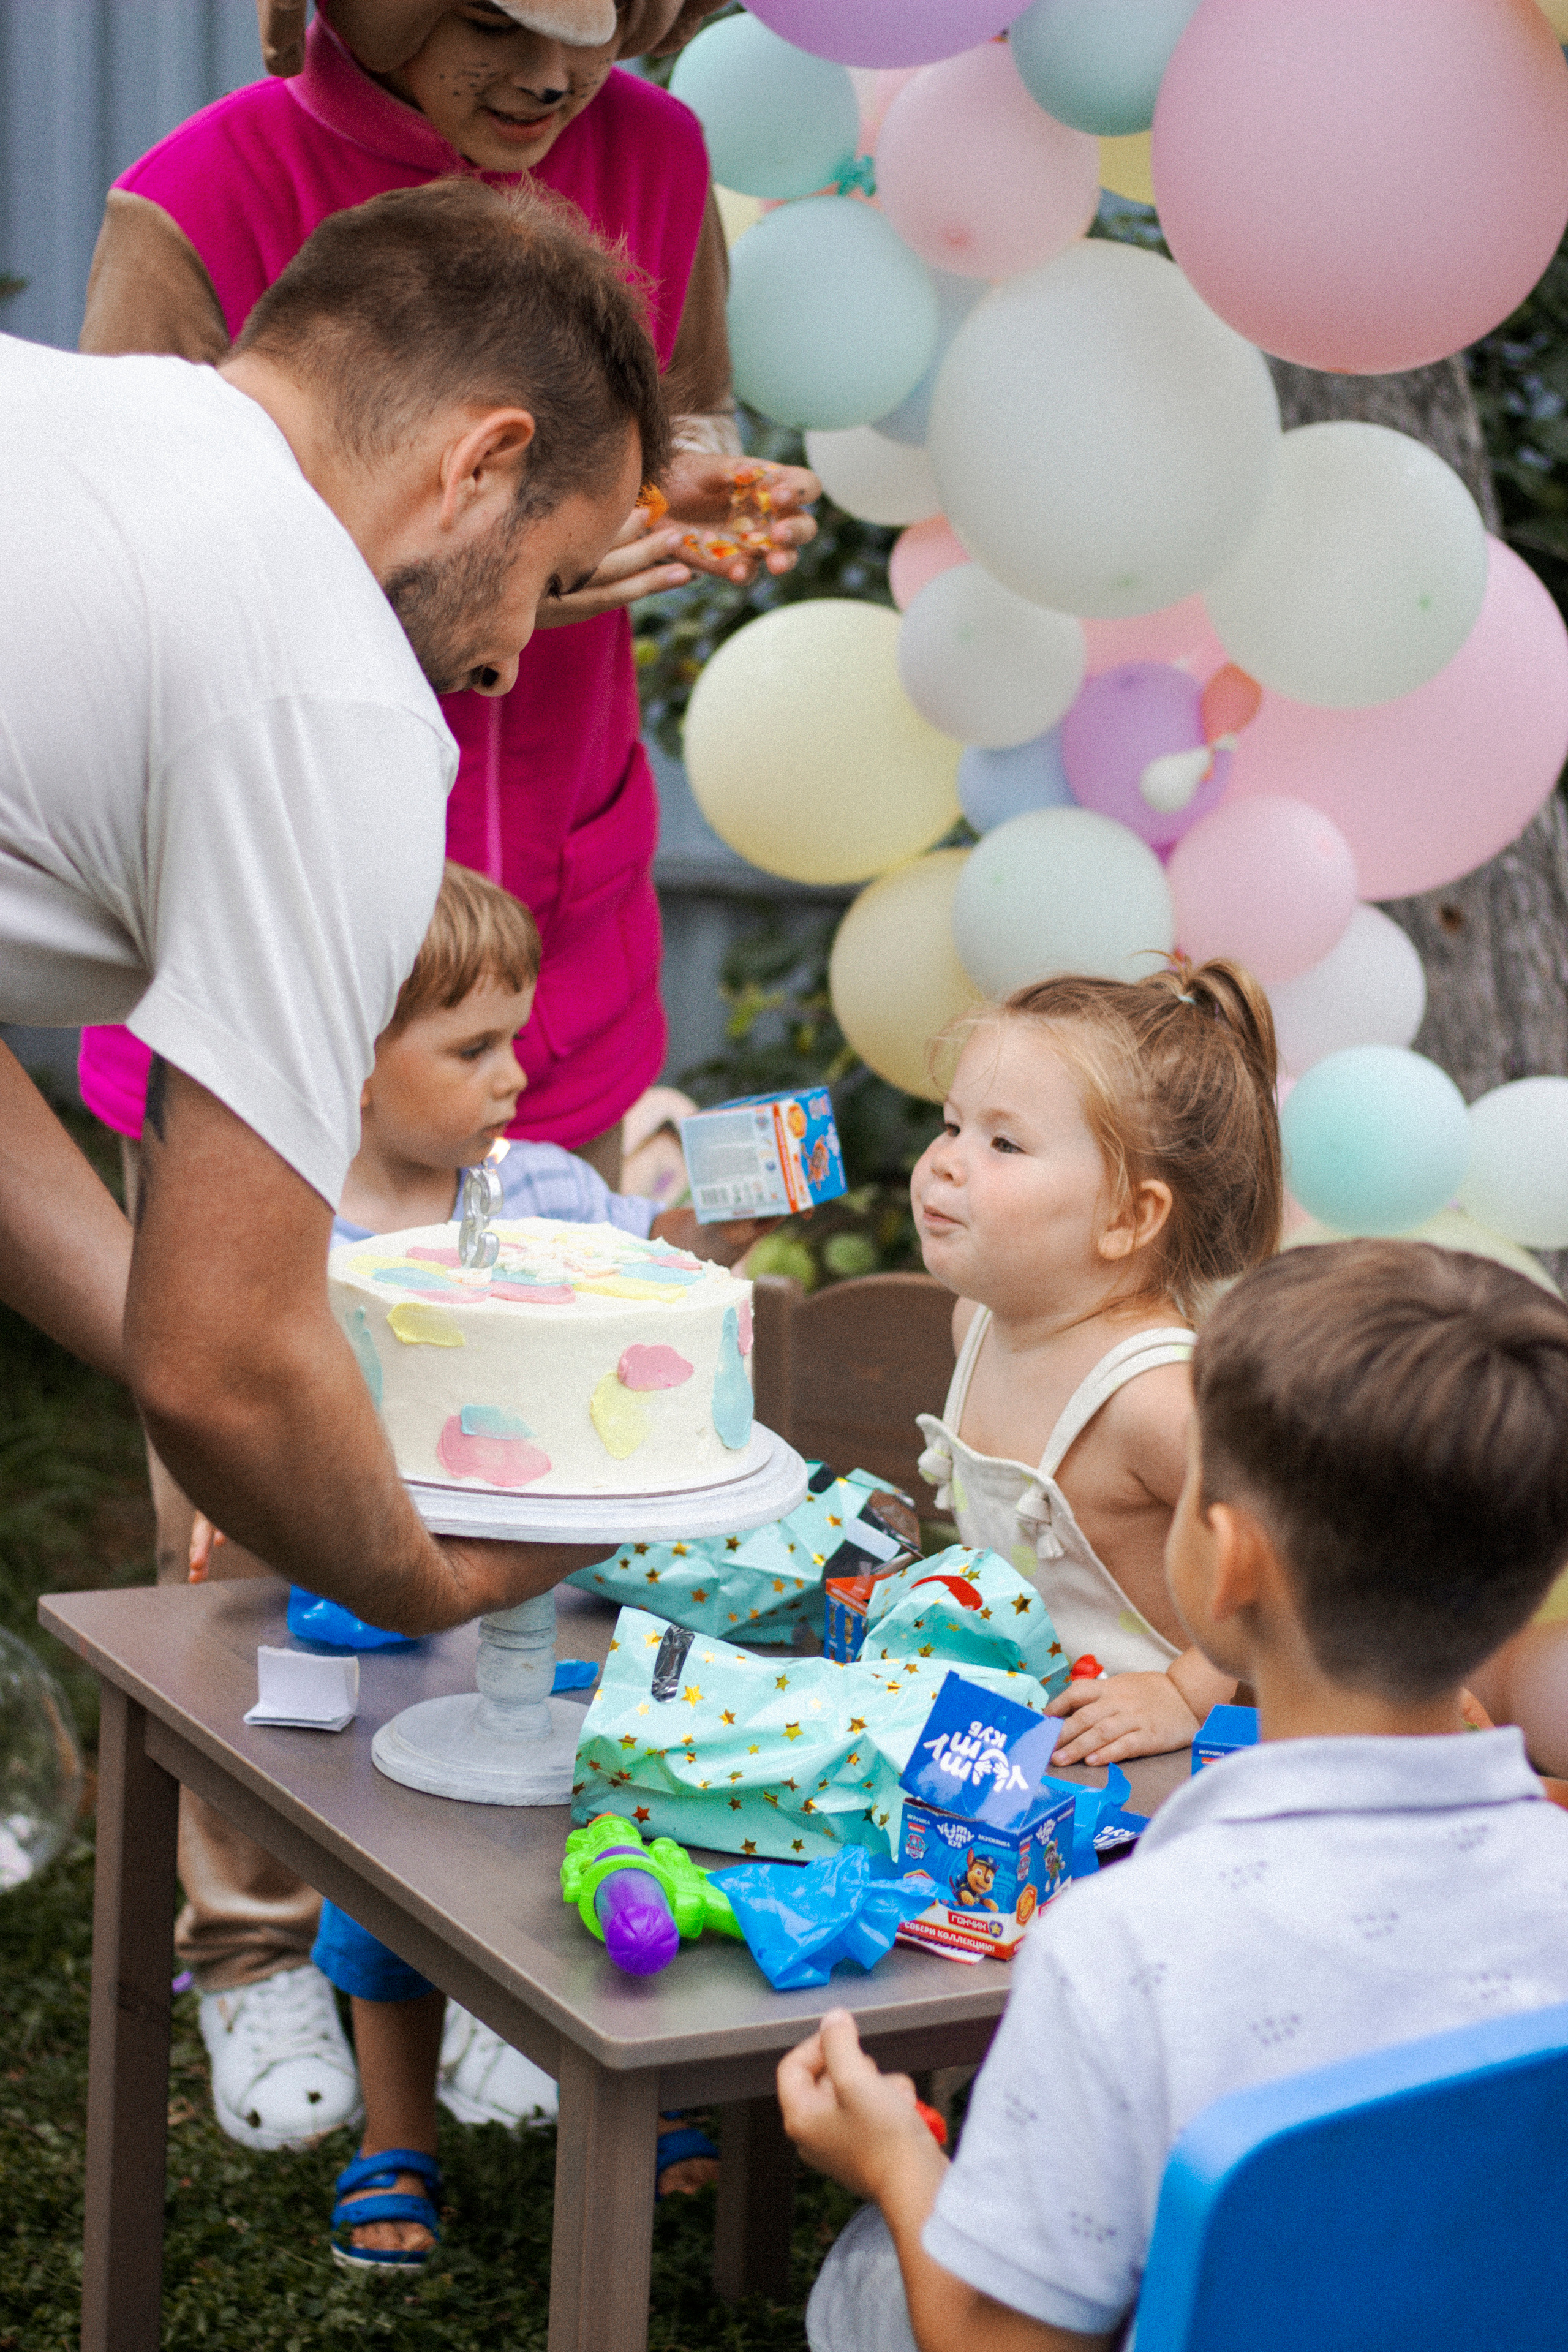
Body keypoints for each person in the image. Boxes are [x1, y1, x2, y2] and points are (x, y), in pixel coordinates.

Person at [0, 175, 668, 1724]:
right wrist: (419, 1580)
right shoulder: (338, 702)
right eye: (547, 577)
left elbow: (190, 1333)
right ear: (481, 464)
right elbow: (224, 1364)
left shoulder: (70, 425)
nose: (510, 654)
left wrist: (189, 1322)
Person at [75, 0, 819, 1185]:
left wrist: (667, 492)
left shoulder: (657, 150)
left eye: (598, 22)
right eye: (493, 24)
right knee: (245, 1340)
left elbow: (681, 413)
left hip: (553, 897)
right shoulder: (199, 196)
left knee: (550, 1319)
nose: (551, 75)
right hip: (269, 895)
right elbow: (125, 577)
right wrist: (495, 576)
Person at [780, 1240, 1568, 2352]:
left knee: (868, 2274)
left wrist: (894, 2160)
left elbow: (1003, 2341)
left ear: (1230, 1559)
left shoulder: (1117, 1948)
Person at [232, 860, 732, 2257]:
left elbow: (647, 1289)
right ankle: (401, 2136)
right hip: (373, 1614)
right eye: (472, 1049)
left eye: (514, 1036)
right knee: (386, 1880)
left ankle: (621, 2085)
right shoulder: (290, 1233)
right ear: (352, 1062)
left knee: (603, 1829)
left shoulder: (551, 1191)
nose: (516, 1076)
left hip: (564, 1602)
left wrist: (716, 1238)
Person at [911, 962, 1280, 1770]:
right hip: (1045, 1739)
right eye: (951, 1125)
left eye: (1003, 1142)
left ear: (1128, 1215)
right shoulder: (976, 1322)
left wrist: (1187, 1693)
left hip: (1178, 1765)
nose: (946, 1162)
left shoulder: (1155, 1398)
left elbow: (1290, 1545)